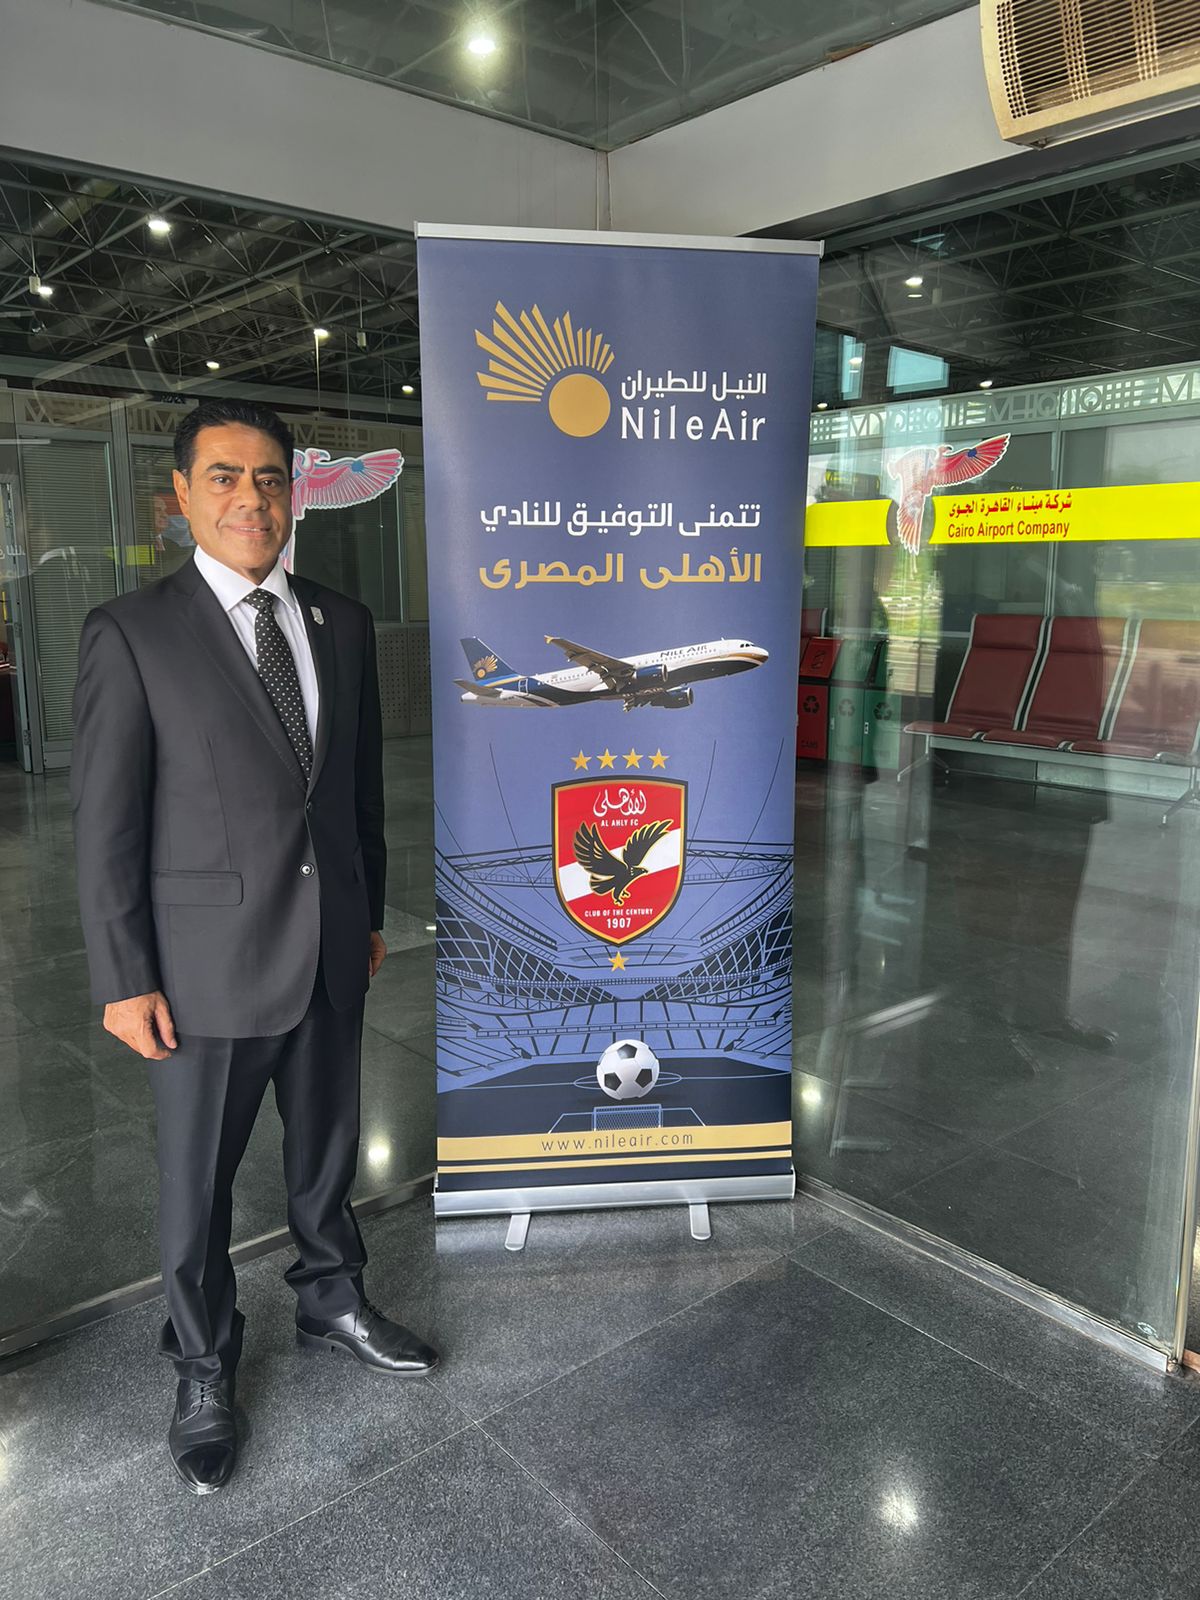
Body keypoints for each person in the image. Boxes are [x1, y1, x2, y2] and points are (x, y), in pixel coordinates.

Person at [71, 398, 437, 1497]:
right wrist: (124, 976)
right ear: (181, 496)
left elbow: (354, 791)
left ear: (295, 495)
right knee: (199, 1184)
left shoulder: (341, 620)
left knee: (327, 1146)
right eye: (224, 477)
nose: (251, 498)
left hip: (328, 946)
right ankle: (202, 1364)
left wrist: (365, 915)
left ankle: (332, 1297)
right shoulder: (132, 632)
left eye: (270, 477)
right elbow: (106, 825)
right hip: (203, 967)